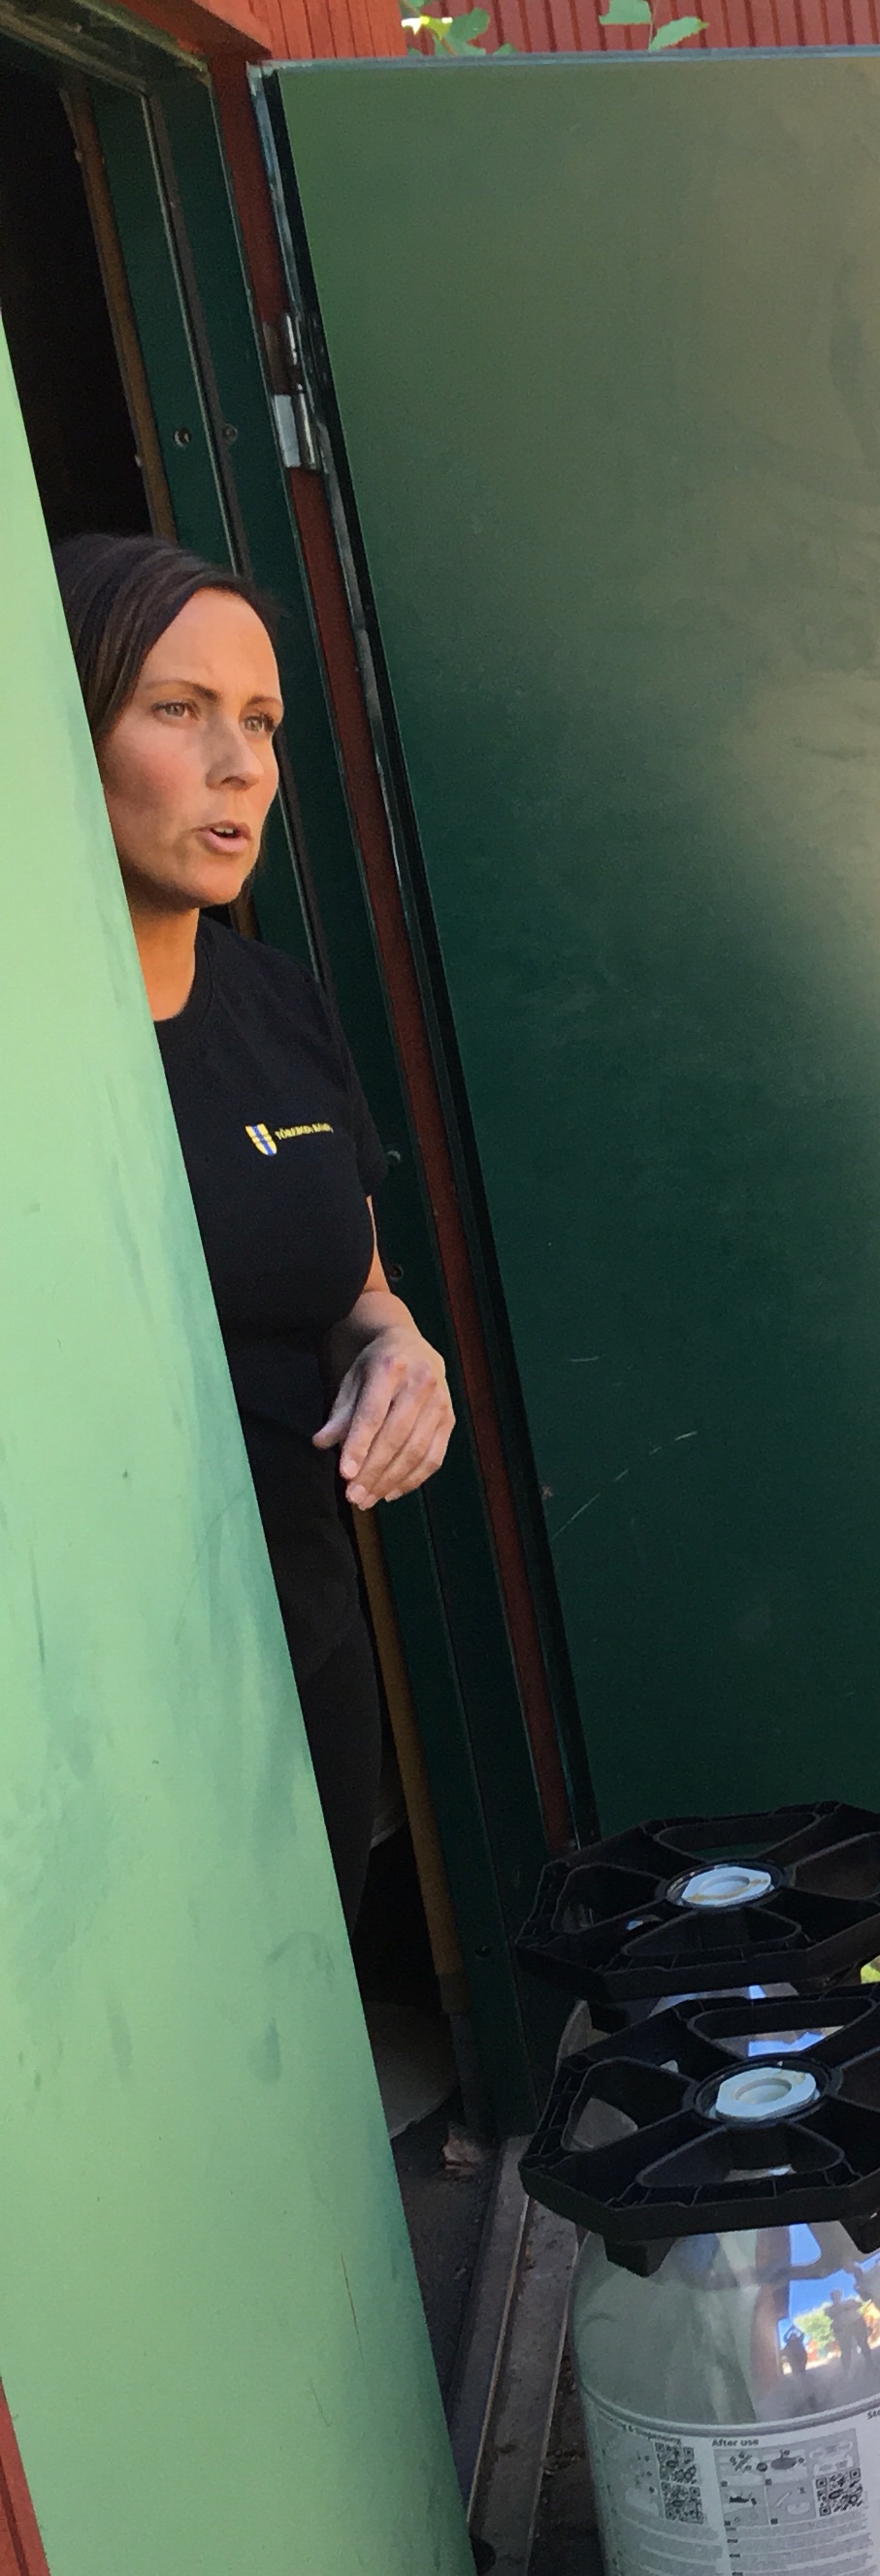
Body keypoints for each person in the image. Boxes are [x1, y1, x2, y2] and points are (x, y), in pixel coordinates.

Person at [59, 534, 457, 1920]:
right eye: (178, 710)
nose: (240, 765)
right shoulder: (30, 1036)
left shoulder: (278, 1005)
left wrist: (400, 1351)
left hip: (296, 1653)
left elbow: (355, 1285)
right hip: (73, 1702)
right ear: (61, 730)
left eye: (263, 721)